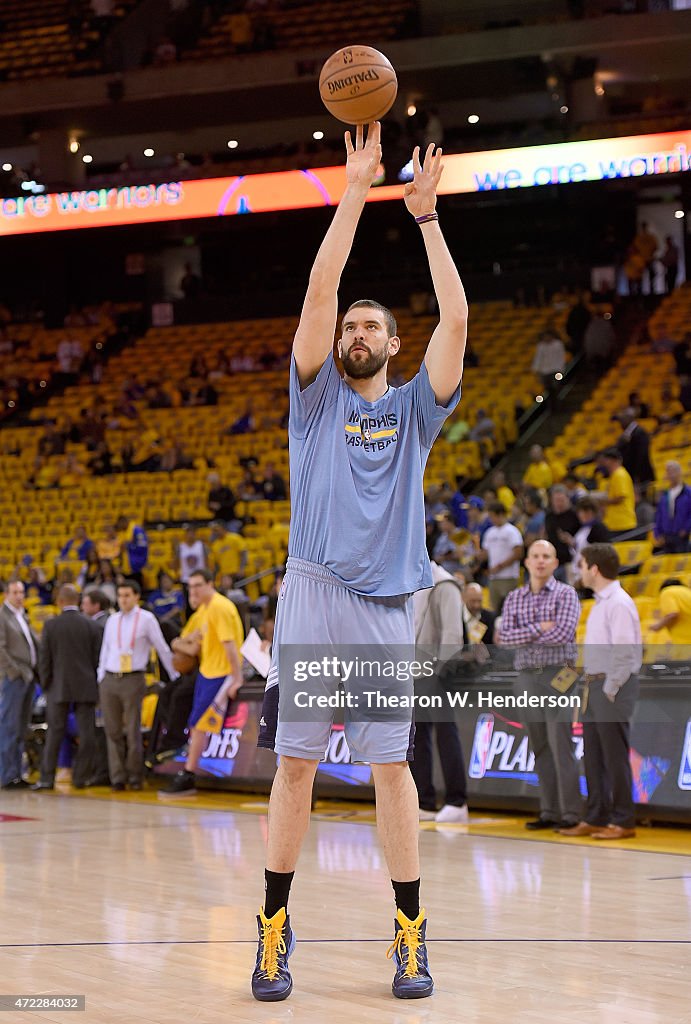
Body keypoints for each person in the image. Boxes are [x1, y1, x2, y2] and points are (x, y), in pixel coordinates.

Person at [252, 124, 466, 1002]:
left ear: (390, 344)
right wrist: (351, 191)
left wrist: (424, 220)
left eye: (371, 323)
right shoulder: (311, 402)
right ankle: (272, 929)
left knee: (389, 771)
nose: (355, 328)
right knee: (294, 767)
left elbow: (456, 317)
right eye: (349, 323)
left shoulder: (417, 409)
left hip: (382, 609)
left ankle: (410, 935)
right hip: (310, 595)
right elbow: (316, 288)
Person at [499, 542, 582, 831]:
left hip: (560, 675)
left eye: (546, 557)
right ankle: (549, 811)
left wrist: (527, 634)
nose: (540, 561)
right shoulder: (514, 597)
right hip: (526, 678)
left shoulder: (566, 594)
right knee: (539, 746)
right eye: (535, 556)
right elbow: (504, 639)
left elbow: (562, 633)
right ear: (527, 563)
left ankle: (571, 813)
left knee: (560, 743)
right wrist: (538, 628)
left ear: (556, 562)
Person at [560, 544, 641, 840]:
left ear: (594, 568)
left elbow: (625, 652)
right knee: (593, 754)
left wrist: (610, 688)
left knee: (614, 755)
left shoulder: (619, 602)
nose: (579, 570)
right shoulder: (601, 602)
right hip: (594, 684)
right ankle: (596, 815)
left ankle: (624, 819)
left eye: (582, 565)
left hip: (612, 685)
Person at [161, 568, 243, 796]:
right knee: (194, 722)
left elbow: (230, 647)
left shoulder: (219, 607)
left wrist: (237, 678)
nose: (194, 590)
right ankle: (181, 762)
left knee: (198, 726)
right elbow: (191, 642)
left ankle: (188, 774)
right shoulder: (205, 609)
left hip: (221, 673)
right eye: (190, 586)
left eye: (198, 585)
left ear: (210, 584)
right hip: (207, 671)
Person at [97, 579, 178, 791]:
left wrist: (174, 674)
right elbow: (105, 649)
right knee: (112, 730)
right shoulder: (112, 620)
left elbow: (161, 648)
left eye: (127, 595)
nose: (123, 599)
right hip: (110, 677)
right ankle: (117, 777)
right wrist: (100, 676)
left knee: (132, 729)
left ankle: (134, 775)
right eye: (120, 595)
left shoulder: (146, 619)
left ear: (136, 597)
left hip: (133, 678)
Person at [411, 563, 469, 824]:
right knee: (417, 739)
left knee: (447, 736)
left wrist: (441, 671)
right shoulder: (414, 582)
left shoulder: (445, 585)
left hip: (435, 672)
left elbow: (452, 635)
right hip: (414, 671)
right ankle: (424, 800)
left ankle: (457, 800)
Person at [32, 585, 102, 791]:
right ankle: (80, 777)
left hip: (58, 687)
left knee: (54, 733)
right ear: (78, 601)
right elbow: (98, 659)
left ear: (60, 601)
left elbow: (44, 660)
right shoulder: (91, 625)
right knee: (87, 734)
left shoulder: (51, 626)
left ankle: (46, 778)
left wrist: (46, 685)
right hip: (86, 686)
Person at [0, 580, 38, 790]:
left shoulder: (22, 615)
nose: (19, 596)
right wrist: (16, 672)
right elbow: (1, 649)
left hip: (28, 677)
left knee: (21, 728)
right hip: (14, 679)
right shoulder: (2, 617)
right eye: (15, 592)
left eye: (22, 592)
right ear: (6, 594)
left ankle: (17, 773)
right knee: (9, 727)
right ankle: (7, 774)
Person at [481, 501, 523, 611]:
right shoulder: (489, 532)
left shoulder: (512, 531)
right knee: (493, 609)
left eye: (492, 516)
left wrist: (500, 566)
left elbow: (518, 553)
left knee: (509, 609)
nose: (491, 519)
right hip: (493, 577)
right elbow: (485, 554)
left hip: (508, 576)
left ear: (500, 514)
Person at [562, 497, 610, 586]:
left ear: (590, 512)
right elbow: (579, 548)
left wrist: (587, 560)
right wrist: (572, 543)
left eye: (581, 512)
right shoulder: (582, 529)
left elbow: (603, 551)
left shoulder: (599, 528)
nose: (579, 515)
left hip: (591, 573)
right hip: (578, 571)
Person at [653, 461, 691, 554]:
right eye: (668, 472)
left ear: (679, 472)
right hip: (666, 536)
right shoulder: (664, 494)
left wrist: (686, 529)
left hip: (681, 536)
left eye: (673, 471)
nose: (670, 475)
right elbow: (659, 515)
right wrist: (657, 533)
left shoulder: (688, 492)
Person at [597, 448, 637, 535]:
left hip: (622, 522)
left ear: (610, 460)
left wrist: (602, 501)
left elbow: (621, 497)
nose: (604, 463)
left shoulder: (620, 474)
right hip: (615, 522)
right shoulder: (614, 475)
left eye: (605, 460)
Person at [545, 485, 579, 581]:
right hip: (553, 561)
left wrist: (571, 540)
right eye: (556, 500)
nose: (558, 503)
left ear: (567, 499)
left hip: (570, 561)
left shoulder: (575, 515)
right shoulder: (549, 516)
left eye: (561, 500)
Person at [649, 579, 691, 653]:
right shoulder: (687, 592)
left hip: (684, 642)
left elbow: (672, 614)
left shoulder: (667, 592)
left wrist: (657, 626)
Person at [614, 408, 654, 487]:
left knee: (643, 498)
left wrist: (637, 475)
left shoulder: (639, 432)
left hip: (641, 477)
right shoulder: (626, 434)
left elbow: (642, 455)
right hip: (632, 475)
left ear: (629, 418)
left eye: (622, 419)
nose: (620, 422)